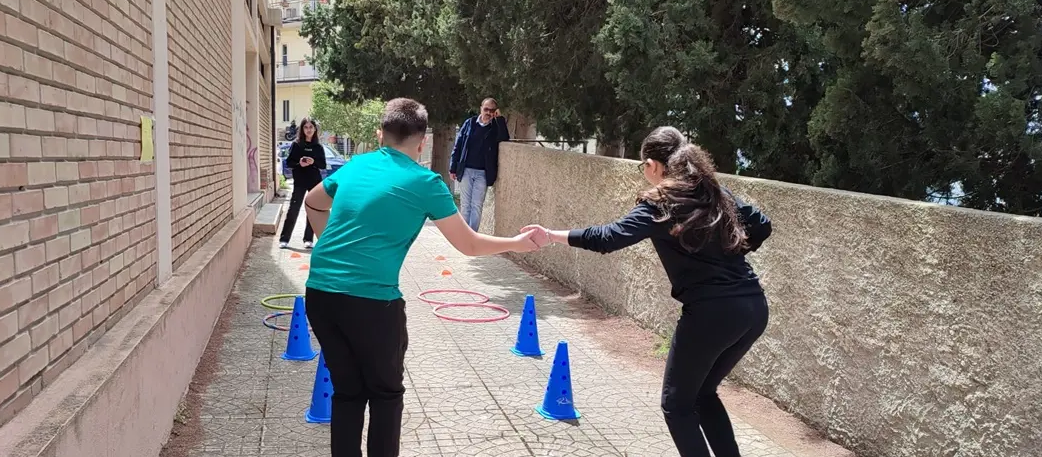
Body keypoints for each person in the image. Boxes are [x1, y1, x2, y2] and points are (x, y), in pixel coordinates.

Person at [300, 98, 544, 457]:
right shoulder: (426, 181)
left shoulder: (355, 166)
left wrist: (332, 248)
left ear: (379, 134)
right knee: (385, 394)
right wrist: (518, 243)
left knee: (348, 391)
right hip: (372, 302)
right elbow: (469, 244)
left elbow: (312, 202)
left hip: (320, 293)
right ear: (421, 142)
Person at [520, 126, 772, 457]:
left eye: (644, 168)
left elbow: (609, 237)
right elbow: (763, 224)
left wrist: (552, 234)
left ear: (653, 165)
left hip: (713, 313)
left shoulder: (663, 201)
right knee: (703, 393)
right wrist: (729, 251)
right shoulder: (712, 191)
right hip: (753, 307)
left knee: (676, 405)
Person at [448, 97, 510, 231]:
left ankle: (472, 235)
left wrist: (499, 119)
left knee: (477, 205)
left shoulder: (495, 127)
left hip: (483, 172)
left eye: (492, 110)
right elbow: (458, 146)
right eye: (486, 109)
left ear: (495, 112)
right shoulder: (469, 123)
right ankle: (463, 234)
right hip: (466, 170)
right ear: (481, 108)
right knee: (465, 205)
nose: (488, 112)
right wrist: (453, 167)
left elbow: (505, 138)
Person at [279, 117, 327, 249]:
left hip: (315, 182)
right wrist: (299, 163)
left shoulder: (318, 146)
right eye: (306, 127)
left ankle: (308, 239)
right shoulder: (296, 144)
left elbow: (323, 165)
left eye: (311, 127)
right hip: (300, 181)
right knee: (293, 208)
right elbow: (289, 162)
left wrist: (313, 162)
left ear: (315, 129)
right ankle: (284, 239)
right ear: (302, 129)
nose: (309, 130)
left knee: (312, 209)